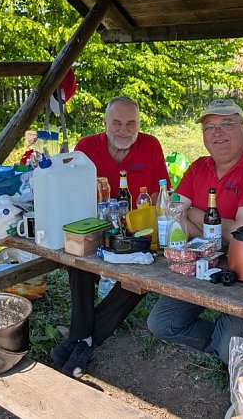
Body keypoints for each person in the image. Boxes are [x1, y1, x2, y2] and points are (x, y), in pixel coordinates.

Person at [147, 99, 243, 365]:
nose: (217, 132)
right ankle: (232, 349)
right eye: (209, 127)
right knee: (162, 324)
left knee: (228, 349)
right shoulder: (199, 166)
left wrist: (194, 214)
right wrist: (208, 227)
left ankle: (238, 350)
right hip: (202, 263)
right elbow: (173, 216)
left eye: (226, 124)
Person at [51, 96, 170, 377]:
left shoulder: (150, 145)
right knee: (78, 263)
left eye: (131, 124)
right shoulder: (86, 147)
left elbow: (158, 196)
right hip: (95, 227)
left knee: (138, 280)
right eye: (117, 123)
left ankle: (80, 340)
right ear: (105, 122)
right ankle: (84, 339)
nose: (124, 130)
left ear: (139, 124)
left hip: (137, 231)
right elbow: (70, 188)